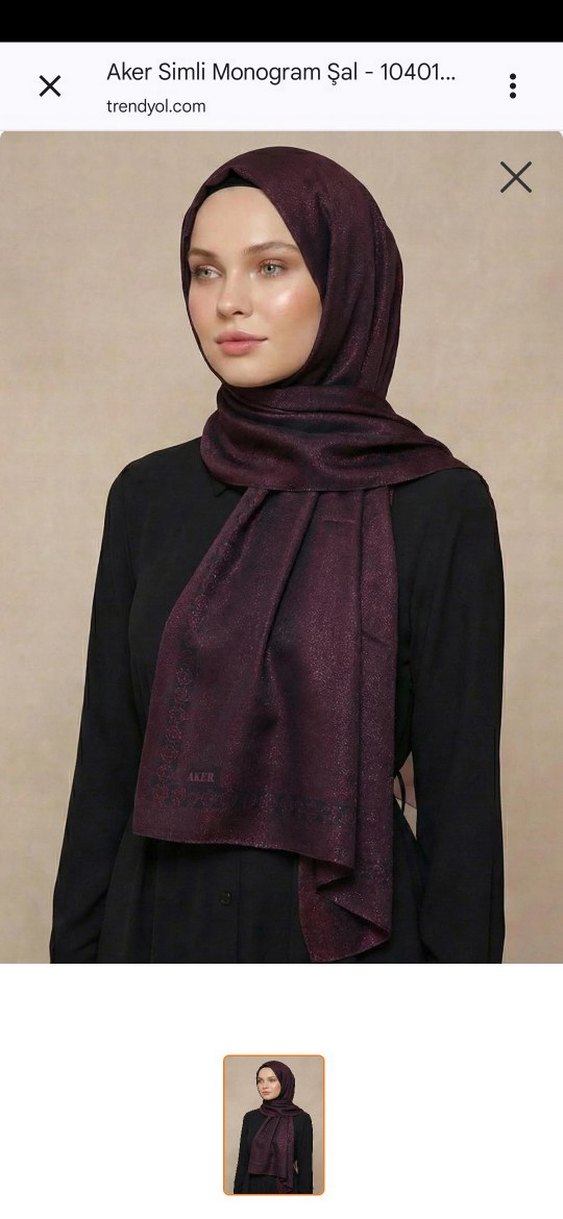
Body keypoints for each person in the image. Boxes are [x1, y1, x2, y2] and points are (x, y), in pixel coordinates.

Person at [49, 144, 505, 965]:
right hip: (156, 933)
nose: (228, 301)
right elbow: (106, 766)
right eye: (204, 270)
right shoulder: (148, 496)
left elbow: (462, 805)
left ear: (347, 280)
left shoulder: (437, 505)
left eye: (270, 266)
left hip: (348, 942)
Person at [233, 1061, 313, 1195]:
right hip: (251, 1189)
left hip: (285, 1190)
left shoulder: (301, 1119)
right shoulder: (250, 1118)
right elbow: (243, 1163)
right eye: (260, 1081)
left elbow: (305, 1168)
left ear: (285, 1082)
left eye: (272, 1080)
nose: (264, 1086)